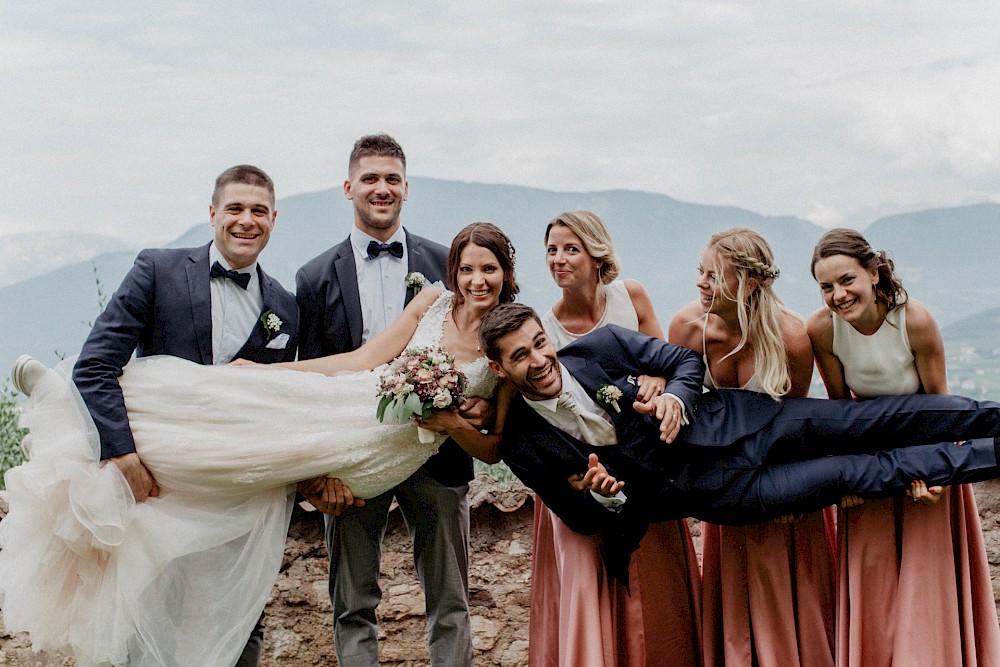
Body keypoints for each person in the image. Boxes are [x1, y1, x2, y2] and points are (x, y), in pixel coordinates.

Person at [0, 222, 517, 667]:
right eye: (468, 268)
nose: (477, 280)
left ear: (505, 273)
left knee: (245, 459)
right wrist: (272, 376)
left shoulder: (508, 336)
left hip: (388, 457)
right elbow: (363, 359)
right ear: (452, 269)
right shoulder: (431, 300)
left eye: (488, 269)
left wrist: (455, 421)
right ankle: (69, 403)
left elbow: (495, 442)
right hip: (354, 408)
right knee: (246, 425)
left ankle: (79, 414)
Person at [481, 303, 1000, 579]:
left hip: (749, 422)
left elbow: (683, 362)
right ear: (499, 367)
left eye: (539, 343)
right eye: (520, 356)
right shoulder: (523, 445)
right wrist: (603, 495)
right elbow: (579, 520)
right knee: (859, 473)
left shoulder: (601, 346)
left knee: (873, 421)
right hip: (723, 494)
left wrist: (677, 400)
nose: (539, 360)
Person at [69, 164, 297, 666]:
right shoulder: (159, 269)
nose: (246, 220)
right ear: (212, 213)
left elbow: (282, 405)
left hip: (240, 505)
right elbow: (93, 367)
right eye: (235, 208)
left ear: (274, 220)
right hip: (159, 497)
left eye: (258, 211)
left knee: (239, 630)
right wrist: (124, 456)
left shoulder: (286, 306)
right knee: (149, 630)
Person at [294, 135, 488, 666]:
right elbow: (317, 381)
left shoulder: (447, 264)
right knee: (353, 602)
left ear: (407, 188)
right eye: (371, 178)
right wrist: (314, 472)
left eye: (393, 179)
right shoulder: (313, 278)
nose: (382, 188)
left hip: (439, 450)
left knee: (450, 600)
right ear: (348, 186)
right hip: (353, 458)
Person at [806, 228, 1000, 666]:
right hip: (867, 457)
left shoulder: (913, 320)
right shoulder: (821, 329)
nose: (837, 295)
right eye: (826, 287)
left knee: (927, 576)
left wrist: (940, 477)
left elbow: (945, 407)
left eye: (847, 280)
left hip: (927, 451)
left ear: (873, 274)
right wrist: (847, 477)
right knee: (871, 570)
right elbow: (840, 414)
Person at [534, 211, 701, 667]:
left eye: (571, 248)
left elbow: (665, 361)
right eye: (552, 250)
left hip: (650, 462)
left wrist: (655, 378)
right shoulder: (545, 331)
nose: (559, 259)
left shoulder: (632, 296)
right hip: (587, 474)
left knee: (659, 578)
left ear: (595, 253)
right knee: (596, 580)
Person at [669, 228, 835, 667]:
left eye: (713, 276)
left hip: (782, 483)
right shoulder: (688, 328)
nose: (701, 283)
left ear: (751, 282)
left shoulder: (791, 338)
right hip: (725, 487)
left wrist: (789, 492)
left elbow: (797, 424)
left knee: (787, 594)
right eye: (700, 273)